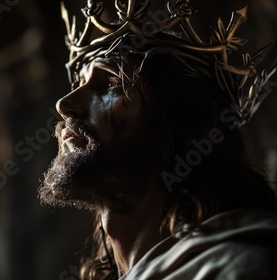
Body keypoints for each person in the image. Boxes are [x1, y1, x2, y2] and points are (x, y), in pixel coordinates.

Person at [38, 0, 277, 279]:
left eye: (113, 83)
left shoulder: (241, 265)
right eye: (80, 82)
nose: (64, 105)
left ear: (180, 124)